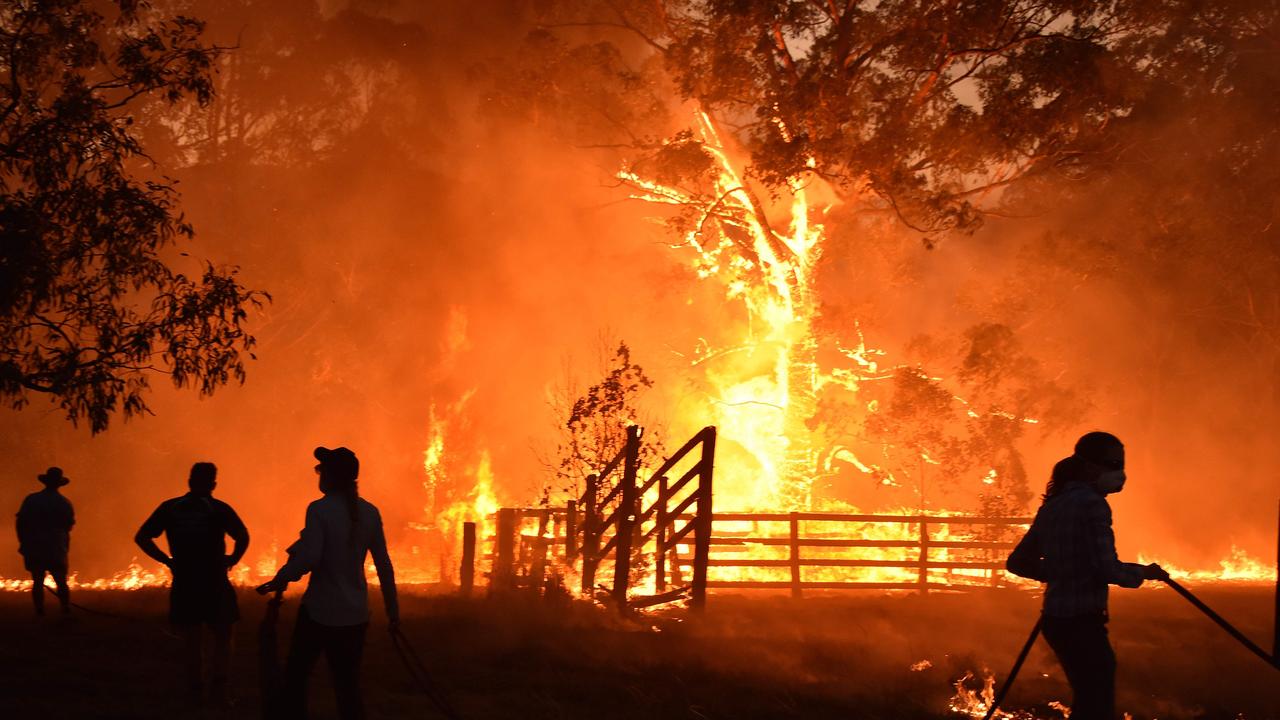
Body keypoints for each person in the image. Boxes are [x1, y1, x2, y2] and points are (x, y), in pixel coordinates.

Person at [1006, 431, 1168, 720]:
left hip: (1055, 621)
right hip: (1083, 623)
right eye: (1114, 463)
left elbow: (1018, 562)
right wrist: (1143, 572)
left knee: (1087, 700)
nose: (1120, 471)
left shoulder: (1053, 505)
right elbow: (1106, 568)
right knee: (1096, 705)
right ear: (1091, 466)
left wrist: (1061, 572)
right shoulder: (1094, 504)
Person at [256, 446, 399, 720]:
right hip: (355, 615)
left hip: (319, 613)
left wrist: (280, 579)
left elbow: (310, 556)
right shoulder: (370, 513)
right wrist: (393, 612)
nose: (318, 474)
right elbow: (384, 565)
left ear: (331, 476)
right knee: (348, 687)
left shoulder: (319, 509)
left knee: (297, 678)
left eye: (321, 470)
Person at [135, 462, 250, 706]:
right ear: (213, 484)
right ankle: (218, 693)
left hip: (185, 580)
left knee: (192, 637)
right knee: (223, 635)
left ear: (189, 482)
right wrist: (234, 559)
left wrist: (167, 560)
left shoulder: (170, 508)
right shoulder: (218, 509)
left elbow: (142, 536)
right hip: (214, 580)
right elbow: (242, 535)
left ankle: (194, 691)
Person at [16, 467, 75, 617]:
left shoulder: (32, 499)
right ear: (59, 484)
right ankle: (65, 608)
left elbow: (21, 523)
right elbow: (68, 526)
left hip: (35, 544)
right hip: (56, 546)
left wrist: (23, 542)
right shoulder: (64, 503)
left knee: (37, 580)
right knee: (61, 580)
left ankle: (40, 610)